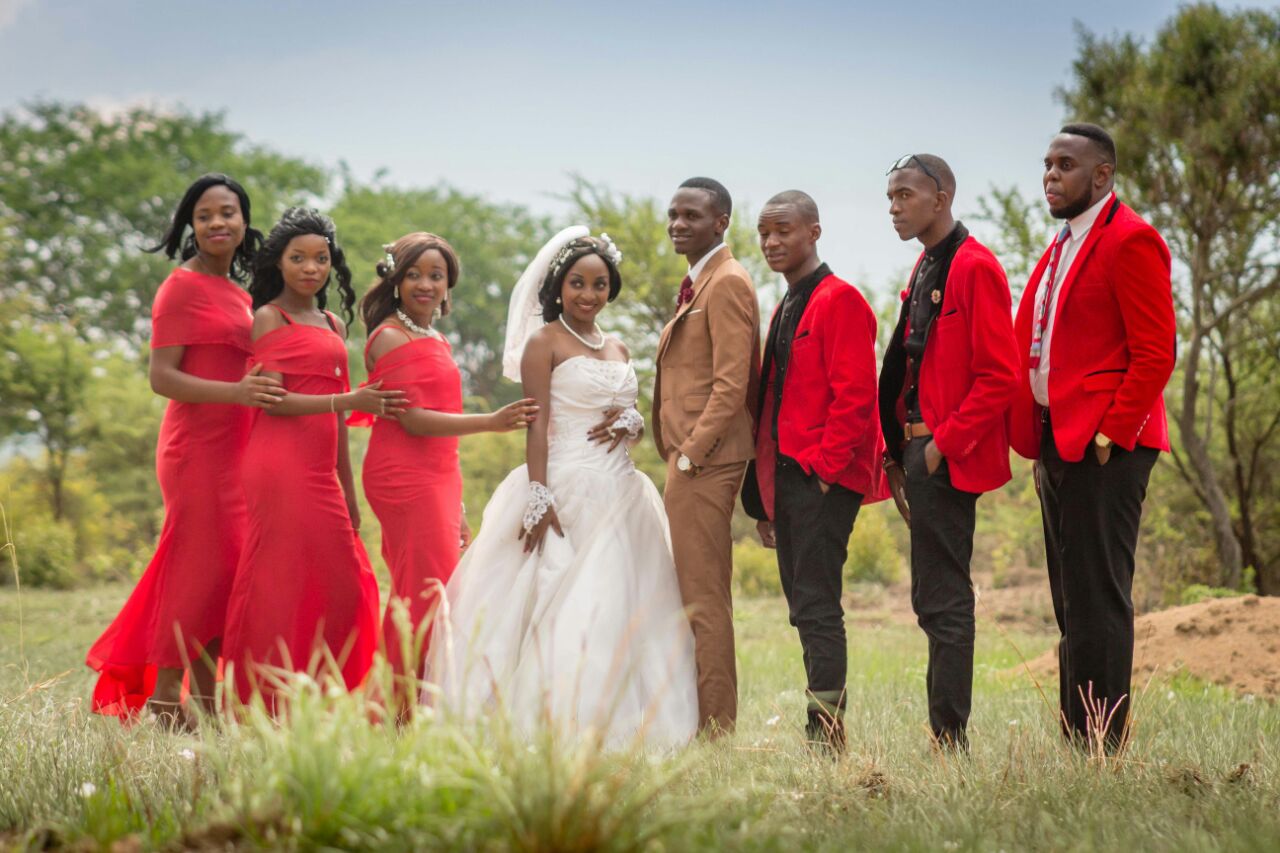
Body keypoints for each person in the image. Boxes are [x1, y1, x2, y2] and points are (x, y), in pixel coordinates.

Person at [427, 227, 698, 749]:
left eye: (599, 285)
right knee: (569, 600)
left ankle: (634, 719)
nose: (589, 295)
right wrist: (538, 494)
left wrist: (631, 424)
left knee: (631, 602)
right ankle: (557, 719)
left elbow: (629, 413)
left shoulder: (617, 345)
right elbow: (537, 422)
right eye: (578, 283)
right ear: (559, 286)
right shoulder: (544, 342)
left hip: (623, 490)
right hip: (565, 484)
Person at [86, 174, 284, 729]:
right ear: (189, 226)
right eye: (204, 215)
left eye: (228, 213)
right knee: (196, 568)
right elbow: (162, 377)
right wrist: (237, 392)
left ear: (244, 222)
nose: (217, 223)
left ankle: (205, 696)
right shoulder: (180, 287)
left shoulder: (244, 295)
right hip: (196, 449)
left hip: (240, 448)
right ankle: (167, 697)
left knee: (221, 571)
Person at [1010, 124, 1176, 750]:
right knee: (1069, 596)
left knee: (1100, 597)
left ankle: (1103, 745)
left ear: (1101, 175)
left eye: (1065, 165)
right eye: (1047, 164)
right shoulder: (1061, 245)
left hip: (1108, 447)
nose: (1051, 175)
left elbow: (1157, 351)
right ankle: (1078, 737)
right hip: (1057, 440)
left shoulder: (1132, 240)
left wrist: (1111, 431)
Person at [221, 208, 402, 711]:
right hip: (277, 467)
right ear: (278, 263)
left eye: (320, 259)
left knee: (342, 580)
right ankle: (264, 699)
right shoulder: (267, 318)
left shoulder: (331, 321)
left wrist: (346, 485)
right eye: (298, 258)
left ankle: (318, 691)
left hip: (321, 468)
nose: (310, 268)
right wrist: (346, 402)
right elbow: (273, 402)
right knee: (281, 580)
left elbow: (338, 419)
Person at [352, 231, 538, 716]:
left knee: (431, 588)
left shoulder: (434, 337)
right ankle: (397, 710)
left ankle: (419, 702)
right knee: (427, 592)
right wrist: (492, 422)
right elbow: (412, 419)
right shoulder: (389, 335)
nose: (425, 284)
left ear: (448, 283)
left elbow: (440, 420)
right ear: (395, 279)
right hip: (402, 475)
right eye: (413, 274)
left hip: (438, 475)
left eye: (435, 275)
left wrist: (454, 503)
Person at [877, 156, 1020, 750]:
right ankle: (944, 732)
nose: (894, 207)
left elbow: (1001, 374)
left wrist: (943, 446)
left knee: (946, 598)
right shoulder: (925, 264)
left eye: (904, 195)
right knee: (929, 596)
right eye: (889, 198)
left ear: (941, 198)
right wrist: (897, 453)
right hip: (914, 454)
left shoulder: (975, 266)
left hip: (944, 456)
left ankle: (950, 737)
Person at [741, 191, 887, 751]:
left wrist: (823, 475)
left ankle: (826, 735)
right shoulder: (786, 304)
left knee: (818, 605)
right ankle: (821, 726)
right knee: (803, 607)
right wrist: (769, 500)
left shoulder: (840, 299)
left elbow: (855, 398)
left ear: (814, 232)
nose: (772, 243)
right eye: (764, 235)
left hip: (822, 480)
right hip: (789, 483)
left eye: (783, 231)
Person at [652, 177, 760, 737]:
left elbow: (731, 382)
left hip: (706, 462)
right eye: (672, 214)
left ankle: (716, 729)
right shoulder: (701, 280)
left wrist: (691, 455)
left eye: (691, 215)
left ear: (721, 222)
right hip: (689, 457)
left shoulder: (728, 282)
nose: (677, 224)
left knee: (704, 597)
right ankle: (698, 717)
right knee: (692, 592)